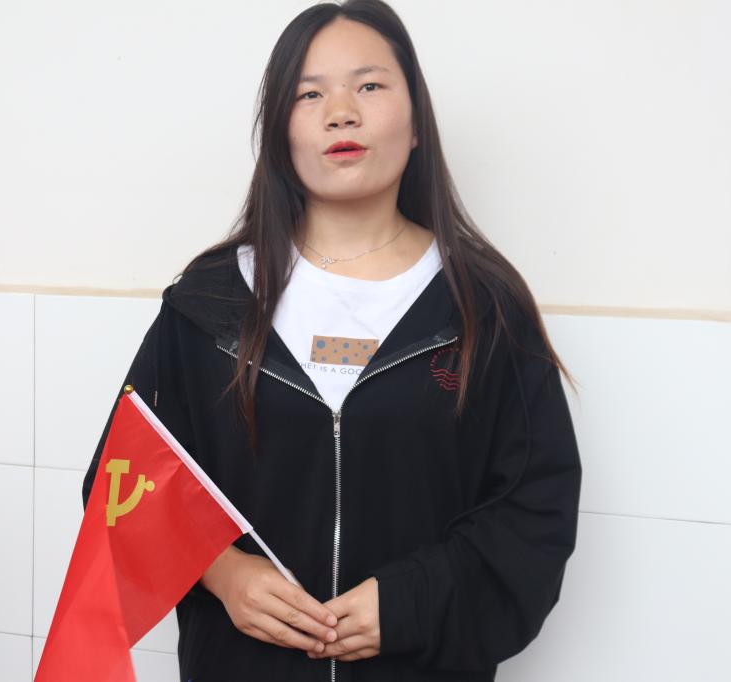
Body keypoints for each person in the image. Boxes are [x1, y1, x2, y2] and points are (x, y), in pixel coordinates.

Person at [81, 1, 582, 680]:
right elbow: (124, 481)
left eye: (369, 85)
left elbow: (533, 512)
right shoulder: (212, 302)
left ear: (416, 124)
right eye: (309, 94)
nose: (340, 112)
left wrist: (410, 602)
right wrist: (223, 572)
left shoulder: (483, 306)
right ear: (279, 133)